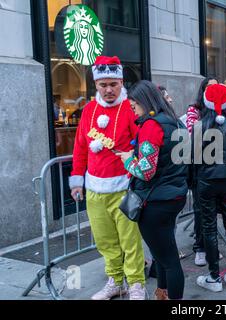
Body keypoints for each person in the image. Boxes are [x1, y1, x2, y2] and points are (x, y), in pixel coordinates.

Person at [69, 56, 146, 300]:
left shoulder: (130, 108)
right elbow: (81, 147)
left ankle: (136, 284)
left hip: (123, 187)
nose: (109, 89)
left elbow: (143, 143)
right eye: (103, 85)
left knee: (130, 241)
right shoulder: (89, 110)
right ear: (96, 85)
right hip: (94, 188)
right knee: (105, 240)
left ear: (121, 82)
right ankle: (116, 281)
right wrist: (76, 179)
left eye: (113, 84)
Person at [117, 80, 188, 300]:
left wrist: (128, 160)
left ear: (144, 101)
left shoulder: (151, 126)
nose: (133, 110)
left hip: (155, 201)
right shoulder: (177, 123)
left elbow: (146, 171)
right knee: (164, 254)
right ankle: (162, 293)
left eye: (133, 105)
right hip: (174, 196)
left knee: (167, 260)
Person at [194, 84, 226, 292]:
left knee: (210, 227)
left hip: (206, 180)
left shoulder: (200, 125)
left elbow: (195, 158)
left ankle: (214, 277)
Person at [185, 76, 219, 266]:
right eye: (209, 87)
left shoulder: (221, 110)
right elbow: (193, 134)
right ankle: (200, 247)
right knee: (200, 209)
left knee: (213, 210)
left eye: (216, 87)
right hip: (199, 166)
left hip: (218, 166)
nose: (212, 90)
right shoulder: (194, 110)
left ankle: (211, 247)